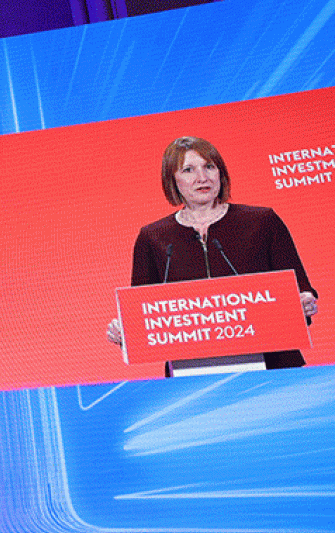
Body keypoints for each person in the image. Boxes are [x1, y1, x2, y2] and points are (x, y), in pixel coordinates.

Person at [107, 136, 317, 368]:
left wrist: (305, 301)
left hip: (274, 366)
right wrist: (124, 330)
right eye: (188, 170)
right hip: (193, 376)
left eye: (209, 166)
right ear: (172, 180)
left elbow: (300, 288)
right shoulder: (153, 237)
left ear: (221, 173)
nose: (202, 178)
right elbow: (142, 315)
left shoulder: (262, 221)